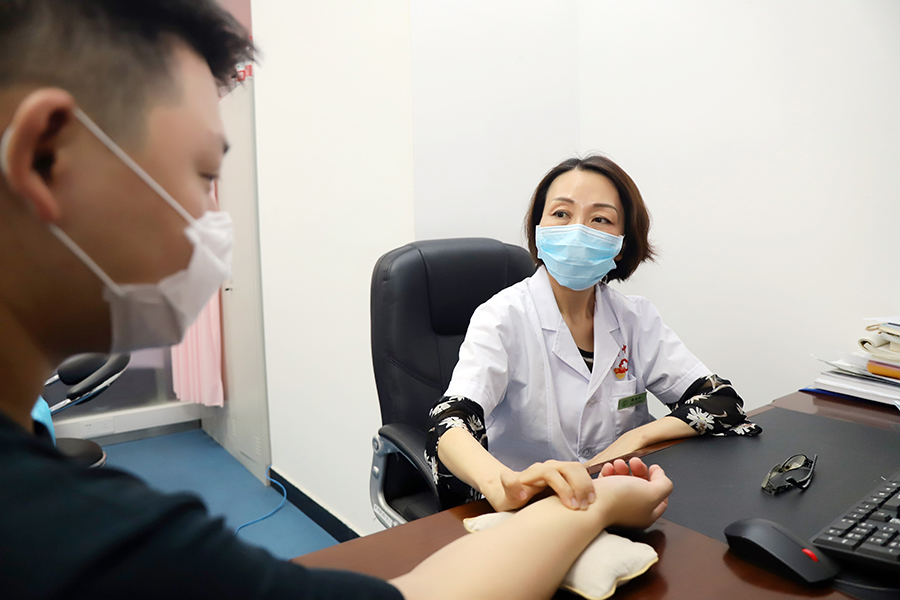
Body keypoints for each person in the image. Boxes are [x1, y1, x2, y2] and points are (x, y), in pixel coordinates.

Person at [0, 2, 674, 599]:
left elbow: (710, 396)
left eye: (601, 220)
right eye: (203, 173)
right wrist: (596, 501)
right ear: (43, 158)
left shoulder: (36, 454)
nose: (213, 223)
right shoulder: (77, 539)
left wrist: (631, 444)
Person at [426, 155, 762, 512]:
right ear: (538, 231)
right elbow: (449, 423)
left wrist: (635, 438)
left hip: (617, 500)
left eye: (600, 219)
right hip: (529, 508)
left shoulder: (635, 317)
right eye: (561, 214)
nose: (577, 231)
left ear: (621, 245)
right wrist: (503, 484)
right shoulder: (502, 317)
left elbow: (720, 400)